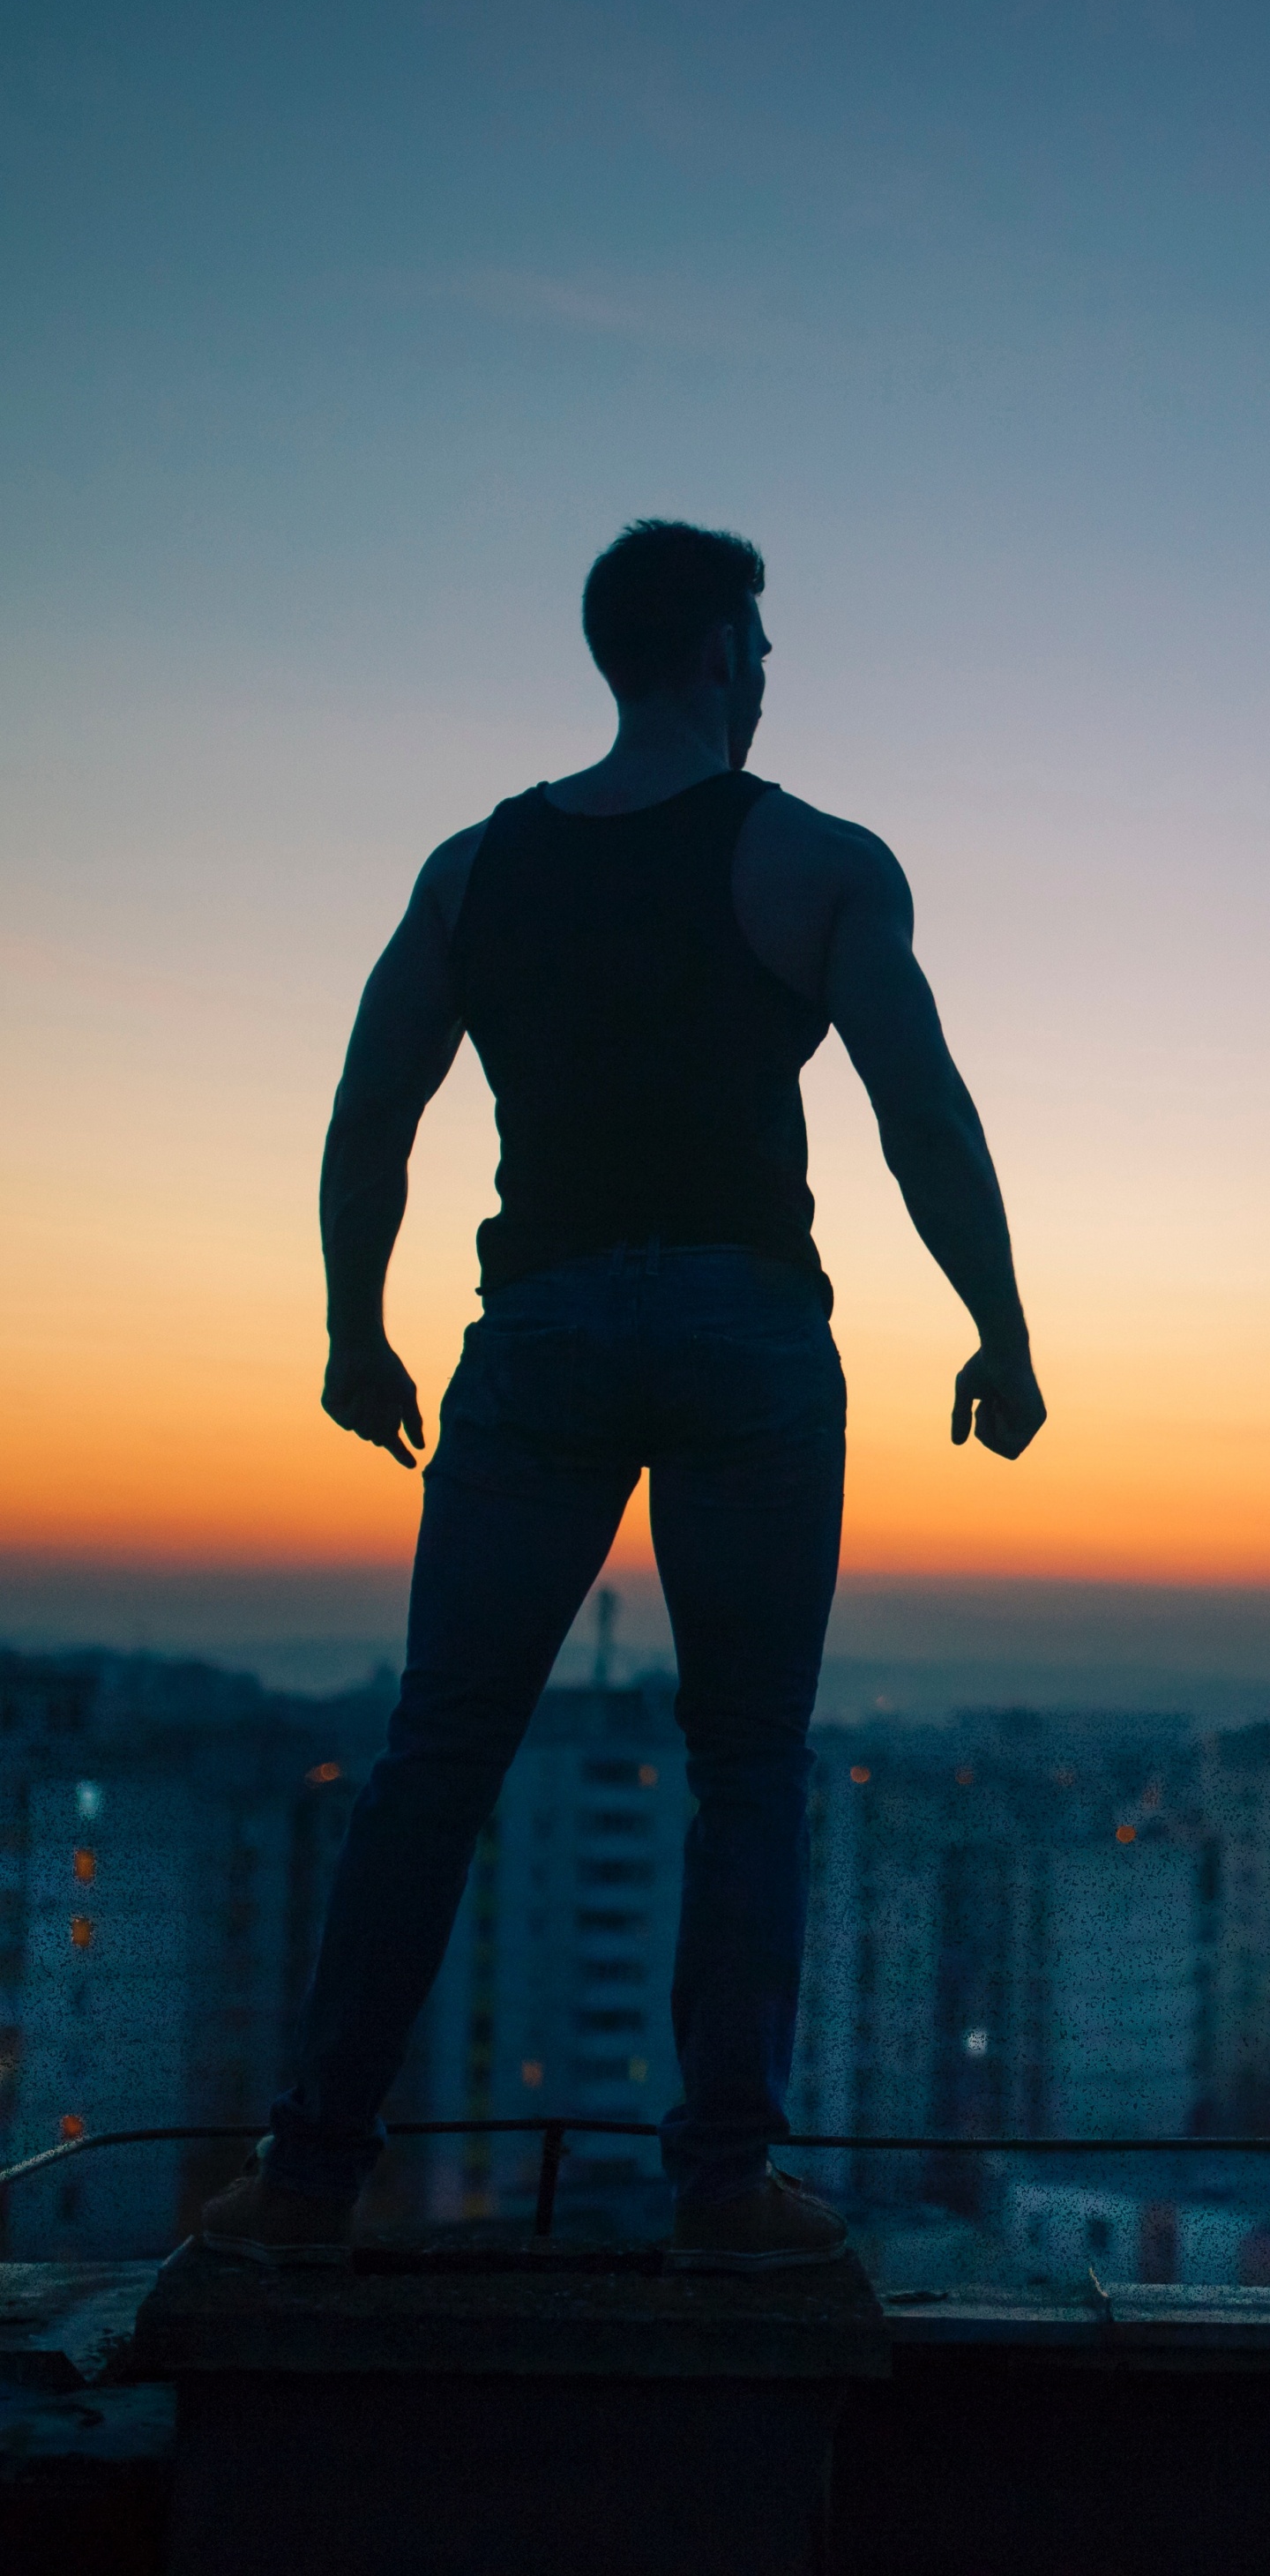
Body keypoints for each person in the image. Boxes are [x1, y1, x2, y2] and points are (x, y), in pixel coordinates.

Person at [202, 519, 1045, 2270]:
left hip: (544, 1331)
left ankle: (305, 2177)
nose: (761, 676)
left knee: (438, 1758)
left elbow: (374, 1110)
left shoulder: (472, 871)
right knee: (747, 1764)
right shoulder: (812, 860)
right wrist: (1002, 1329)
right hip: (744, 1332)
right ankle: (725, 2187)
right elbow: (924, 1116)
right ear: (722, 651)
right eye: (759, 647)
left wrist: (358, 1329)